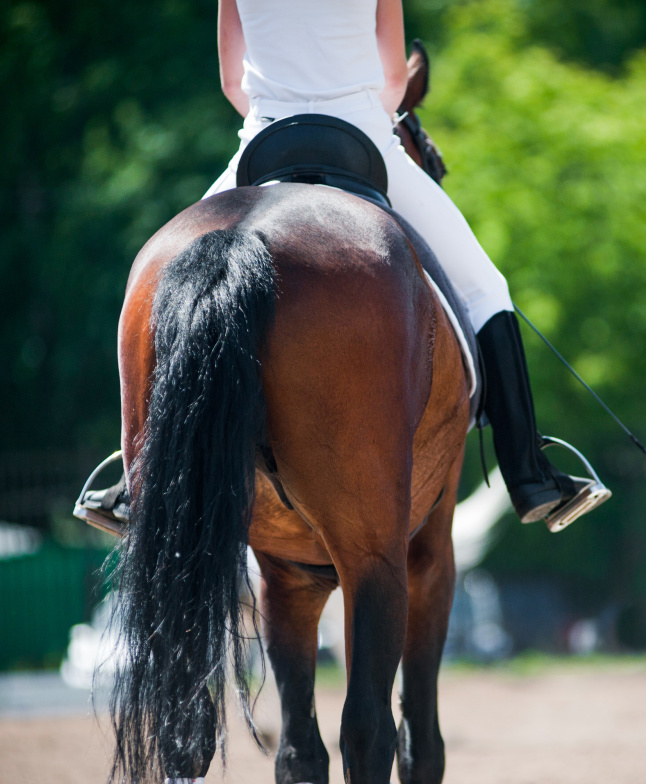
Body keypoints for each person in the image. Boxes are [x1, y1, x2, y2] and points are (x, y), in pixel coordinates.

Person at [77, 0, 609, 534]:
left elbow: (232, 84)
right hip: (363, 138)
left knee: (167, 282)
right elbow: (396, 78)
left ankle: (136, 479)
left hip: (263, 142)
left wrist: (282, 104)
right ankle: (528, 473)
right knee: (487, 287)